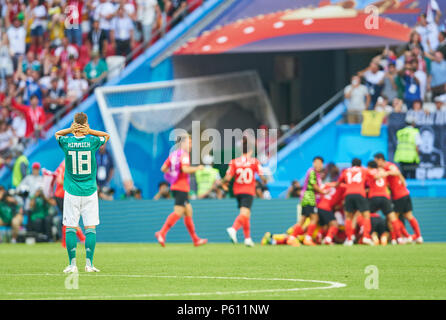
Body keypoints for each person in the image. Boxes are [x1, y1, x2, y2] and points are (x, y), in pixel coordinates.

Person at [55, 112, 110, 273]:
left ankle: (72, 265)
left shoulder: (67, 141)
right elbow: (106, 136)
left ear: (74, 124)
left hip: (71, 191)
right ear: (86, 123)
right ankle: (89, 264)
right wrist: (90, 131)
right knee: (90, 227)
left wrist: (69, 130)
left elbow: (57, 134)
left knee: (71, 227)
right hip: (90, 191)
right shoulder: (92, 141)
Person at [155, 134, 207, 247]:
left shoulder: (173, 155)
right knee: (178, 212)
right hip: (181, 187)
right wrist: (198, 168)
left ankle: (195, 239)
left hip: (176, 186)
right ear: (182, 143)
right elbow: (185, 169)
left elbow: (163, 168)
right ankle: (161, 233)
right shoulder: (184, 155)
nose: (191, 145)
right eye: (189, 142)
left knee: (188, 211)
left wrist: (172, 176)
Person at [223, 136, 267, 247]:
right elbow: (263, 178)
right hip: (248, 190)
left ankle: (247, 239)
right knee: (244, 213)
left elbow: (227, 178)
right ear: (251, 150)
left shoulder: (234, 162)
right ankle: (234, 228)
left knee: (246, 214)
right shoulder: (254, 161)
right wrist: (264, 180)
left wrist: (223, 183)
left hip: (237, 191)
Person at [374, 153, 423, 243]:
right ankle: (418, 236)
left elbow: (396, 172)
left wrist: (387, 173)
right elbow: (398, 175)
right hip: (404, 193)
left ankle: (399, 238)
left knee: (393, 218)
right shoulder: (386, 168)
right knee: (408, 216)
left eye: (376, 161)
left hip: (399, 196)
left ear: (380, 160)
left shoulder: (388, 166)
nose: (376, 163)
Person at [335, 158, 380, 246]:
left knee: (348, 217)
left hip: (348, 194)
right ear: (360, 165)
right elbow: (374, 177)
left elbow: (338, 183)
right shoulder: (363, 170)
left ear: (351, 165)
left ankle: (349, 239)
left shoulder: (346, 171)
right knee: (366, 215)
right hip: (360, 193)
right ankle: (366, 237)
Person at [291, 156, 326, 246]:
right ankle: (307, 238)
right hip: (309, 198)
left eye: (320, 163)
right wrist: (323, 192)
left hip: (306, 198)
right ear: (313, 163)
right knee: (315, 218)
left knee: (303, 219)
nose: (319, 165)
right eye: (317, 163)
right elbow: (314, 186)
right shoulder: (312, 172)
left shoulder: (315, 173)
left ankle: (292, 238)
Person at [366, 160, 402, 244]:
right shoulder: (383, 171)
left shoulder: (369, 171)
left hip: (374, 196)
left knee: (365, 216)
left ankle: (368, 236)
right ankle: (399, 238)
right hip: (385, 197)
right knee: (393, 218)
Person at [53, 160, 86, 248]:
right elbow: (59, 180)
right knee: (70, 218)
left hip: (61, 195)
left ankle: (65, 243)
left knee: (68, 218)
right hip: (62, 195)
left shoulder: (63, 164)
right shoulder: (66, 164)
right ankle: (82, 239)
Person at [394, 115, 420, 179]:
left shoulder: (400, 132)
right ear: (413, 123)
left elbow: (398, 144)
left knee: (403, 177)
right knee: (412, 176)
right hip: (411, 158)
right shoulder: (414, 132)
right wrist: (418, 156)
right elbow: (417, 146)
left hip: (401, 157)